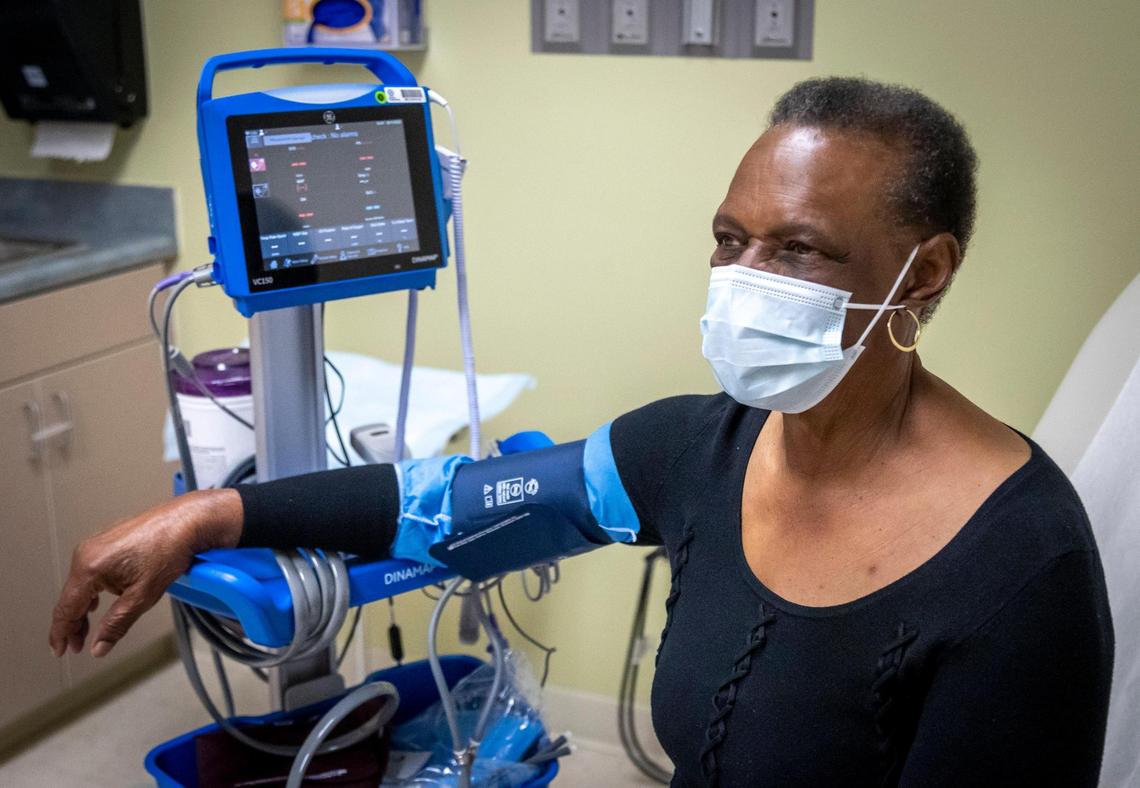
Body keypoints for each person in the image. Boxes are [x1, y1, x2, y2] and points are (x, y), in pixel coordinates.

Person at [49, 77, 1113, 787]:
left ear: (923, 274)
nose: (742, 280)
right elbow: (442, 507)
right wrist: (210, 513)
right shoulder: (698, 451)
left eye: (797, 250)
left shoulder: (1018, 566)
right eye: (729, 239)